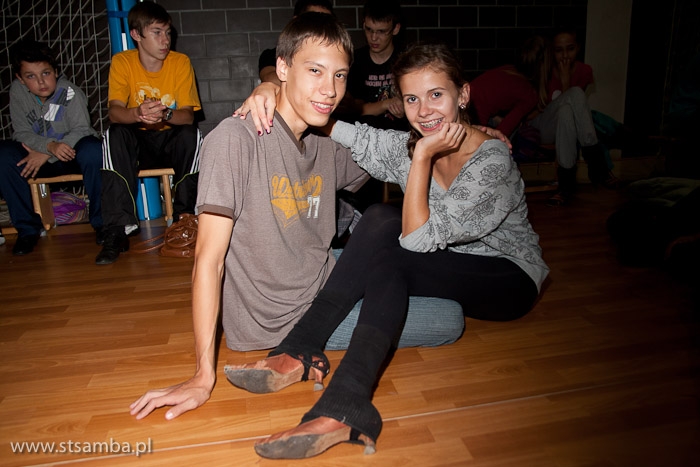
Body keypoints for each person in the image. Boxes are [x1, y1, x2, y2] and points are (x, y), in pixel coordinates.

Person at [129, 14, 467, 423]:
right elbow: (208, 260)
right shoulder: (235, 139)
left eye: (340, 75)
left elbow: (397, 152)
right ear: (283, 68)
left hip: (323, 277)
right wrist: (203, 374)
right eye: (315, 71)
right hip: (282, 318)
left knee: (394, 250)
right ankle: (299, 354)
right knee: (449, 318)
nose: (330, 90)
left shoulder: (324, 142)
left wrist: (474, 138)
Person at [227, 42, 549, 459]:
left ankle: (339, 388)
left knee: (392, 250)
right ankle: (307, 356)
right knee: (380, 218)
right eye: (412, 99)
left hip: (508, 277)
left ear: (463, 95)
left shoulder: (491, 163)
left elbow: (415, 242)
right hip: (452, 265)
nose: (425, 111)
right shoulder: (409, 146)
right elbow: (341, 128)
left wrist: (423, 157)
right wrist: (273, 88)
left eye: (437, 94)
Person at [96, 0, 203, 265]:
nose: (165, 40)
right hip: (139, 141)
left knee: (192, 134)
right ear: (136, 34)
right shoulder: (122, 62)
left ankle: (185, 219)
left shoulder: (180, 62)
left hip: (169, 139)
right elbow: (114, 111)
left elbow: (188, 115)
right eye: (156, 32)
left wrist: (165, 114)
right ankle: (117, 229)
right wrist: (138, 114)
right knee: (114, 133)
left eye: (167, 32)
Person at [0, 39, 103, 256]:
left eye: (46, 73)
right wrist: (49, 147)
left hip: (70, 155)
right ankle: (27, 230)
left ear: (55, 71)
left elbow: (83, 129)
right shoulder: (17, 92)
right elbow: (21, 133)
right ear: (20, 78)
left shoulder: (70, 92)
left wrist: (50, 151)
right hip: (37, 156)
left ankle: (103, 223)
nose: (41, 82)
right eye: (31, 76)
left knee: (94, 149)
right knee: (5, 154)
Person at [529, 28, 617, 206]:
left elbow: (574, 111)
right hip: (540, 127)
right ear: (552, 51)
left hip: (566, 128)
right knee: (575, 93)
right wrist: (565, 82)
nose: (565, 56)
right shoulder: (544, 70)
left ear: (578, 48)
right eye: (558, 50)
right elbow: (532, 112)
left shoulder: (584, 71)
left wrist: (566, 82)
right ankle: (597, 164)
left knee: (566, 113)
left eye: (570, 49)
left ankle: (566, 186)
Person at [469, 35, 549, 139]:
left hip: (465, 98)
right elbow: (505, 128)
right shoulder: (530, 94)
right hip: (475, 112)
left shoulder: (508, 69)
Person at [258, 0, 334, 86]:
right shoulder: (272, 55)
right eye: (313, 19)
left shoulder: (340, 55)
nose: (321, 26)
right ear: (296, 21)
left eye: (328, 21)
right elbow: (270, 80)